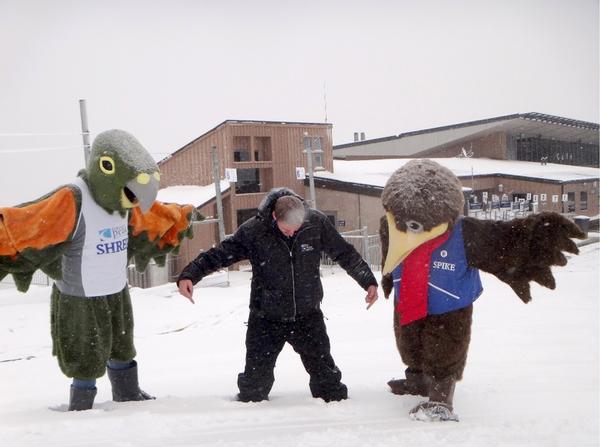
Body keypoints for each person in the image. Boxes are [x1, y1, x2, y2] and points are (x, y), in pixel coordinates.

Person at [178, 187, 379, 402]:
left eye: (296, 229)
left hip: (307, 315)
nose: (292, 234)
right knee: (253, 391)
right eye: (286, 230)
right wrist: (190, 274)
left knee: (330, 389)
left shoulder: (316, 224)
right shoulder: (254, 230)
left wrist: (367, 281)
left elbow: (345, 253)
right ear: (274, 217)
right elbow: (220, 254)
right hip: (266, 317)